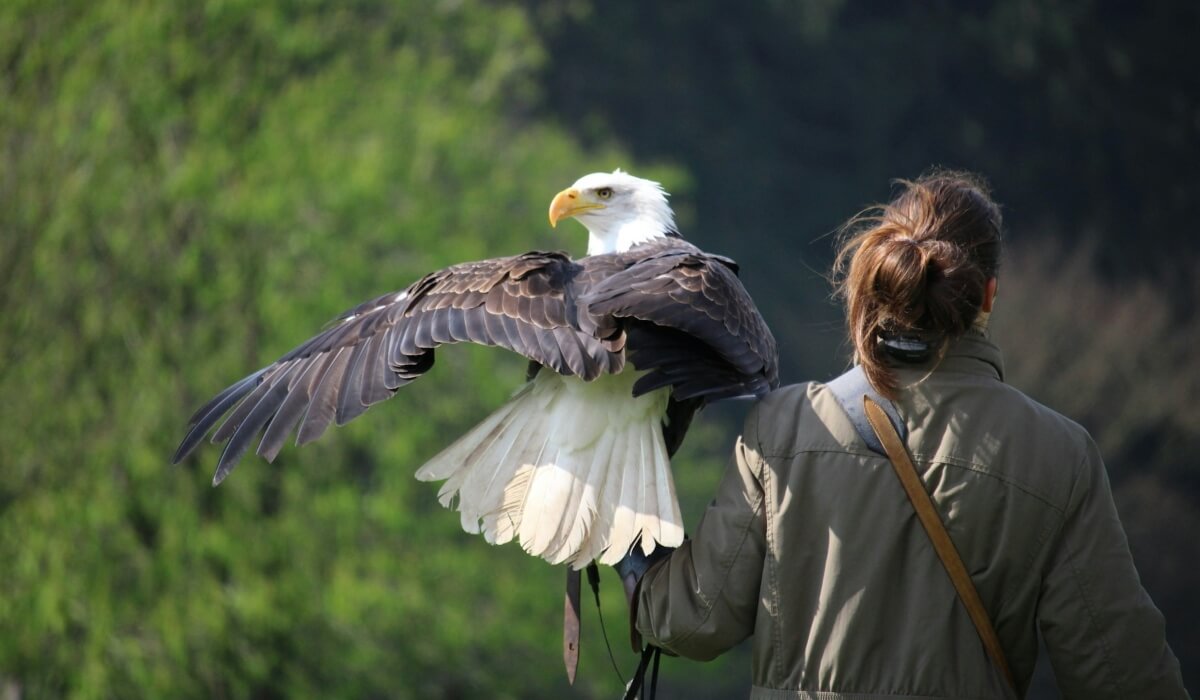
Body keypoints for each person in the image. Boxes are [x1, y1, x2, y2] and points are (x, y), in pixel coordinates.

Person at [619, 171, 1189, 698]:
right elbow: (1122, 677)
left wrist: (614, 520)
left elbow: (693, 621)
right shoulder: (1059, 455)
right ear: (988, 296)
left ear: (881, 277)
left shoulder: (784, 425)